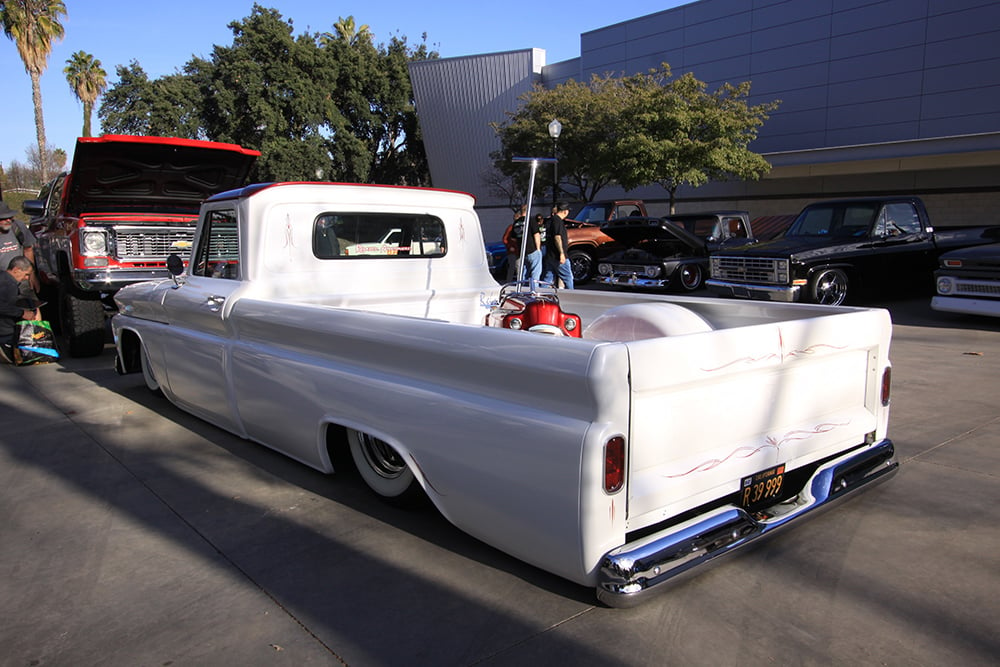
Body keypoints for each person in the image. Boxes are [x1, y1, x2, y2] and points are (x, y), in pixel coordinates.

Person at [0, 256, 41, 364]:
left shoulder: (4, 279)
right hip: (5, 335)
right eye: (26, 274)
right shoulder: (8, 284)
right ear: (16, 270)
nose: (27, 278)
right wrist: (22, 313)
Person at [0, 202, 40, 300]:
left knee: (31, 305)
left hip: (21, 278)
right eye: (4, 218)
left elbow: (28, 249)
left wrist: (31, 274)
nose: (8, 220)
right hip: (2, 281)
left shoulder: (17, 227)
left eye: (10, 217)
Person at [542, 201, 574, 289]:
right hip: (557, 256)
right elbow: (557, 237)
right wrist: (562, 253)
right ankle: (572, 296)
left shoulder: (551, 221)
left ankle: (540, 296)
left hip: (550, 255)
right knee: (568, 278)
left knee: (548, 278)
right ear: (565, 211)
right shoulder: (558, 221)